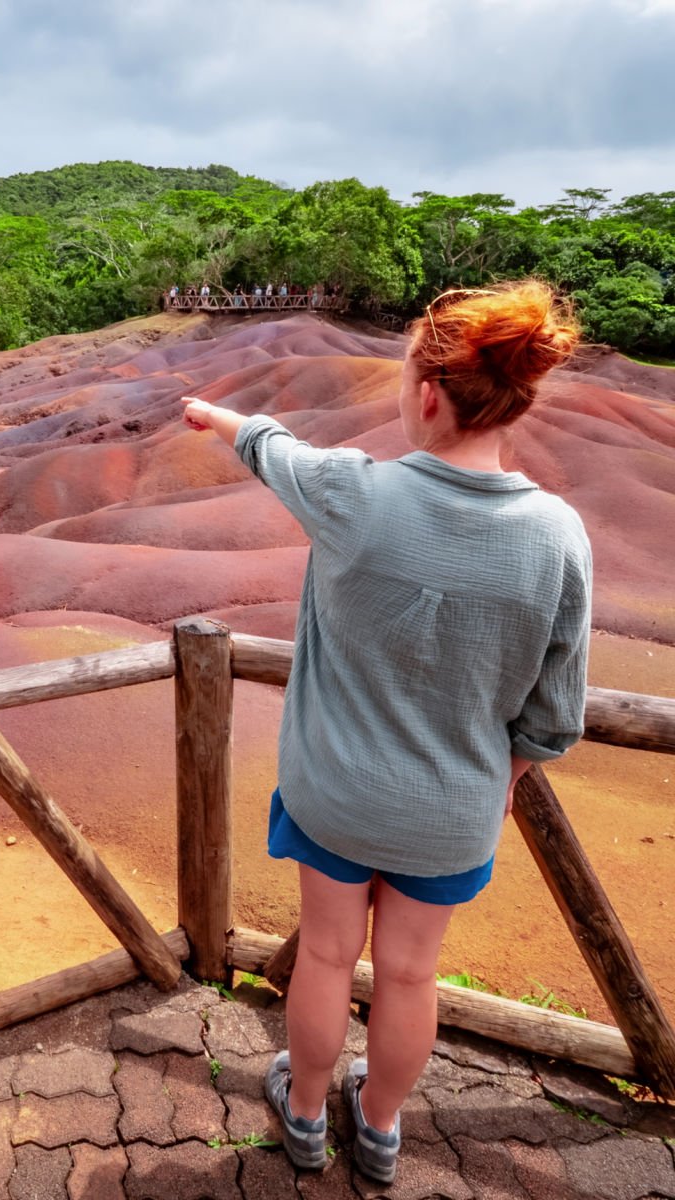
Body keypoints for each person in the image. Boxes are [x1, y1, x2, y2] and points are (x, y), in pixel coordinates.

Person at [180, 280, 590, 1183]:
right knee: (409, 977)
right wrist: (497, 783)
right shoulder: (559, 537)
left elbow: (272, 448)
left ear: (430, 395)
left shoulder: (353, 493)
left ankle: (301, 1117)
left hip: (335, 790)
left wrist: (214, 415)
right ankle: (380, 1129)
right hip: (450, 813)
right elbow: (556, 714)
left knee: (327, 954)